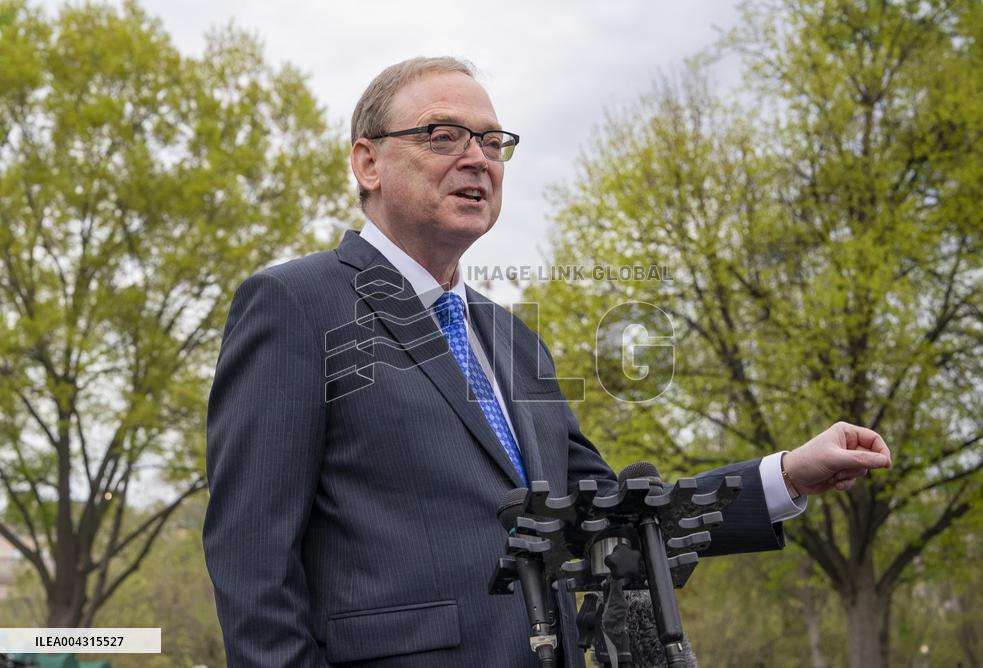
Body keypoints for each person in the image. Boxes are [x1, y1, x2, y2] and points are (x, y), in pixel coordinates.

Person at [202, 57, 892, 667]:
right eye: (443, 135)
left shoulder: (513, 340)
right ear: (368, 162)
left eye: (493, 142)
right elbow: (251, 559)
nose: (478, 158)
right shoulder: (294, 304)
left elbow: (612, 516)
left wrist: (782, 476)